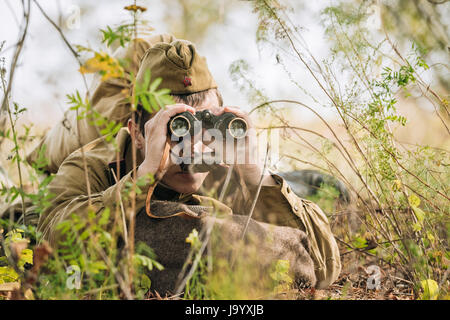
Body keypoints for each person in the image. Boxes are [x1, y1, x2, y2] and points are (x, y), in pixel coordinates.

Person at [35, 38, 341, 295]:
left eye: (205, 128)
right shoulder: (92, 166)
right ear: (138, 131)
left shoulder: (225, 170)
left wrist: (256, 177)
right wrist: (142, 179)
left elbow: (324, 266)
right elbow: (51, 244)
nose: (191, 148)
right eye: (175, 129)